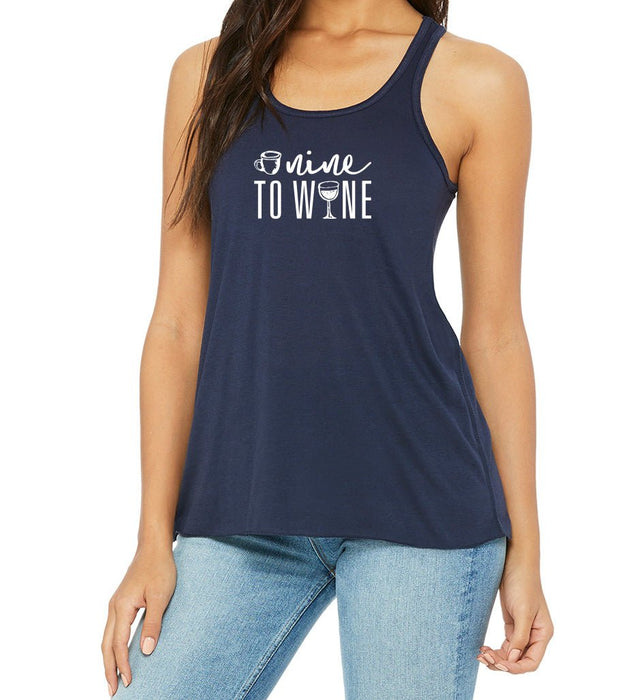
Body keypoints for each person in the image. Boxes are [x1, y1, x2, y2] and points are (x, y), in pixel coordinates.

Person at [101, 0, 554, 697]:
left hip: (422, 511)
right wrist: (152, 538)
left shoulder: (476, 80)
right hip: (242, 506)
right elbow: (176, 323)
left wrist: (526, 553)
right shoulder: (210, 72)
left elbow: (495, 333)